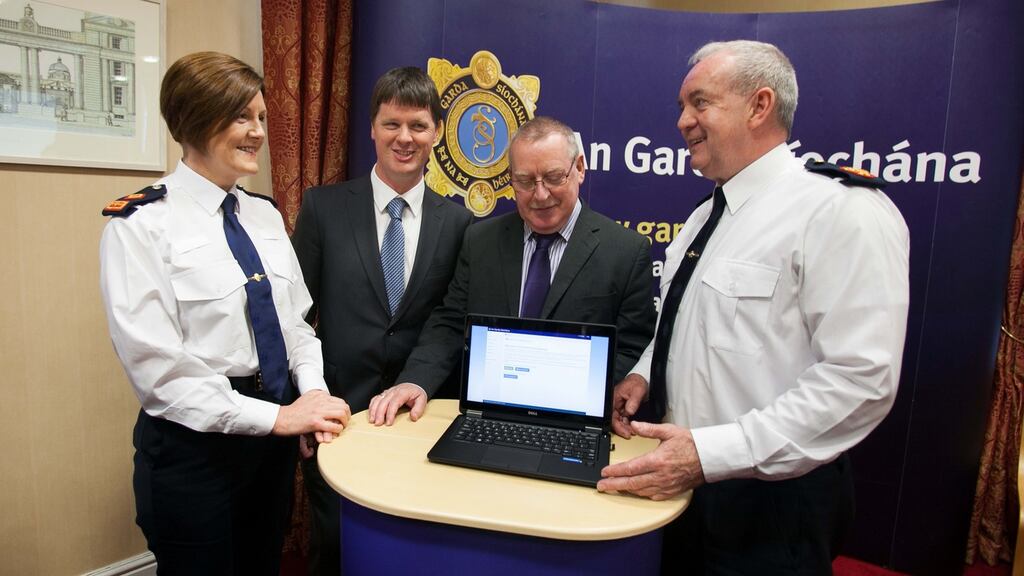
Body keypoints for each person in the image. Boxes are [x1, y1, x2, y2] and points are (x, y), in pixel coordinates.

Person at [596, 40, 910, 574]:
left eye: (699, 103)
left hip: (771, 504)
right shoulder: (703, 217)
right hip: (683, 486)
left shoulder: (839, 211)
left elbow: (861, 380)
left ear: (759, 106)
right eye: (681, 107)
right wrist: (644, 375)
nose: (682, 122)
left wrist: (713, 454)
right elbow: (685, 321)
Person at [99, 51, 351, 576]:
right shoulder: (140, 225)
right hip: (195, 455)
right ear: (195, 119)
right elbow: (160, 373)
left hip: (270, 449)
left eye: (261, 117)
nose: (258, 131)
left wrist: (312, 394)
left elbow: (295, 326)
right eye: (242, 117)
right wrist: (280, 417)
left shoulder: (263, 215)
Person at [291, 66, 473, 576]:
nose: (405, 138)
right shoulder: (323, 208)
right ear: (371, 127)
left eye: (418, 125)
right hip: (336, 419)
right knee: (335, 551)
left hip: (422, 424)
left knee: (411, 554)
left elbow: (452, 318)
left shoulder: (459, 224)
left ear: (436, 131)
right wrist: (302, 400)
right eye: (392, 124)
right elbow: (295, 316)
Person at [368, 116, 656, 426]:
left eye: (554, 177)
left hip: (573, 424)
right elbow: (451, 323)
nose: (540, 194)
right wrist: (416, 381)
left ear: (580, 168)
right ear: (510, 180)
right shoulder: (480, 241)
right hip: (488, 421)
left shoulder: (626, 251)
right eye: (525, 181)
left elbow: (631, 347)